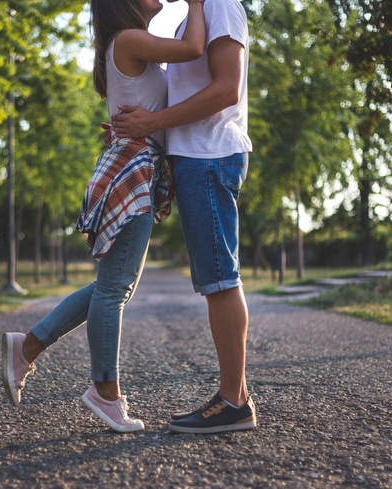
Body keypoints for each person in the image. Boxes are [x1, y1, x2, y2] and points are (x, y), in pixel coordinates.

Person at [0, 0, 206, 433]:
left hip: (135, 165)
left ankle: (28, 346)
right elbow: (192, 48)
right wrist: (198, 3)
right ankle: (104, 391)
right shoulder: (128, 40)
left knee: (109, 286)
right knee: (114, 289)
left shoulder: (127, 45)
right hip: (134, 168)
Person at [109, 0, 256, 433]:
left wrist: (154, 121)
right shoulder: (191, 16)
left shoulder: (221, 6)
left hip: (210, 155)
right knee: (215, 278)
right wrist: (146, 131)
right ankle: (236, 396)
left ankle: (234, 400)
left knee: (219, 277)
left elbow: (227, 88)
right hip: (194, 158)